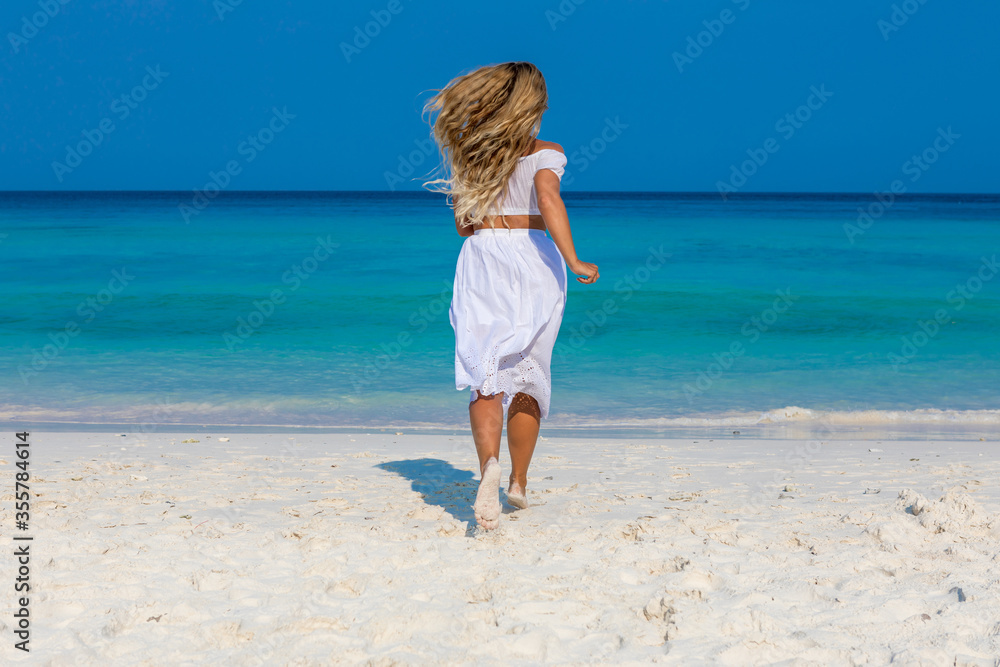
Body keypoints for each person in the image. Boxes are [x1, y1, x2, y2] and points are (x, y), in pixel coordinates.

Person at [424, 61, 599, 530]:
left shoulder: (470, 155)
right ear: (533, 108)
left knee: (485, 369)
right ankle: (518, 483)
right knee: (529, 372)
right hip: (535, 260)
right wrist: (575, 258)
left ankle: (489, 468)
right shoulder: (547, 152)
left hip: (480, 258)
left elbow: (464, 225)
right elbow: (547, 200)